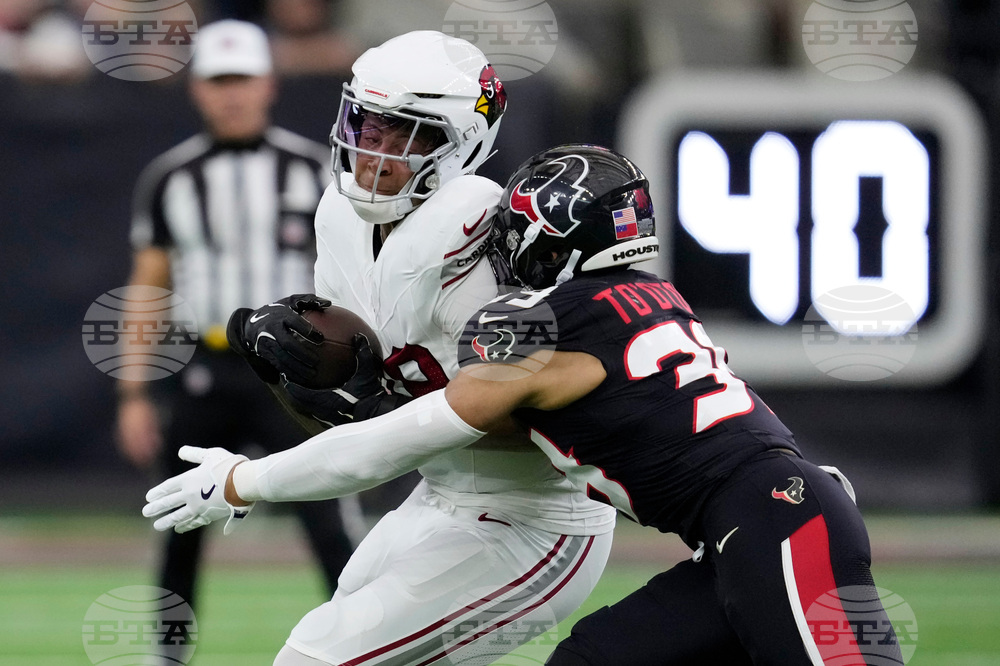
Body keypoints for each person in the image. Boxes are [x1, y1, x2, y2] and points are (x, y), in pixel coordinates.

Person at [144, 143, 903, 665]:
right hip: (763, 515)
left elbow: (407, 436)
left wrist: (245, 481)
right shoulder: (648, 296)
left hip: (774, 515)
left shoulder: (543, 324)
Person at [149, 31, 616, 666]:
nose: (373, 151)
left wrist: (250, 480)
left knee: (314, 656)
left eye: (404, 134)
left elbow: (520, 423)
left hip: (533, 520)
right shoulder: (340, 217)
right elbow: (364, 415)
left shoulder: (481, 241)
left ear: (463, 144)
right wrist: (302, 380)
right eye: (365, 124)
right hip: (443, 496)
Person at [118, 18, 362, 628]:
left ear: (268, 84)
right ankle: (165, 652)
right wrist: (133, 393)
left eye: (242, 78)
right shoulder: (171, 177)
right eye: (218, 80)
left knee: (329, 521)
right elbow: (148, 290)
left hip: (296, 372)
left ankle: (363, 640)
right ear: (197, 88)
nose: (231, 93)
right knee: (180, 524)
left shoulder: (317, 171)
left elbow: (358, 272)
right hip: (209, 367)